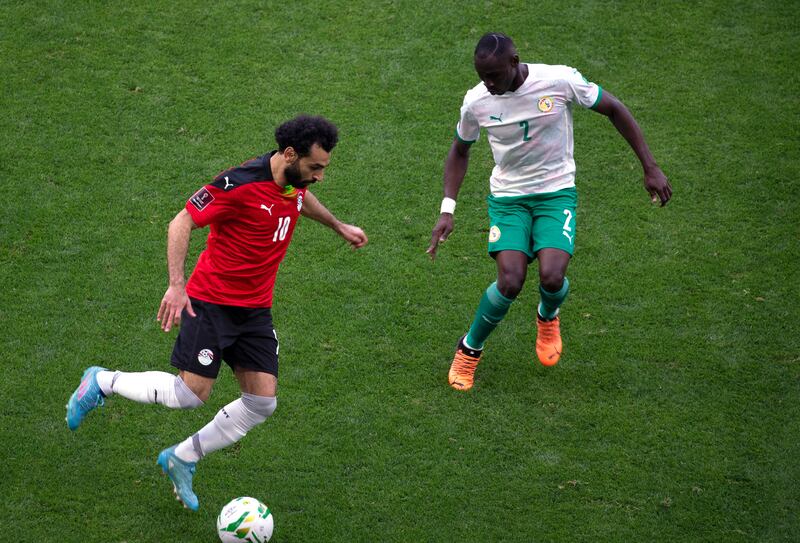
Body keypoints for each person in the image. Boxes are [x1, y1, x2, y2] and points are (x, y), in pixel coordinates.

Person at [66, 115, 368, 510]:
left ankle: (182, 457)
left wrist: (336, 224)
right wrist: (177, 285)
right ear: (290, 154)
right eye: (315, 168)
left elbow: (298, 195)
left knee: (262, 402)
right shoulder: (238, 185)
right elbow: (182, 221)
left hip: (255, 309)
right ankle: (102, 381)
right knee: (190, 394)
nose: (319, 177)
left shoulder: (293, 179)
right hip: (211, 303)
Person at [427, 33, 672, 391]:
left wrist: (650, 166)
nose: (488, 83)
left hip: (555, 194)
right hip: (509, 199)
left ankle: (548, 316)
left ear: (514, 62)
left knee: (552, 277)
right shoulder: (476, 102)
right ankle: (469, 349)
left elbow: (615, 109)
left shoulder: (559, 81)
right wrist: (447, 209)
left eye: (494, 75)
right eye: (482, 76)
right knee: (510, 281)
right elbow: (459, 151)